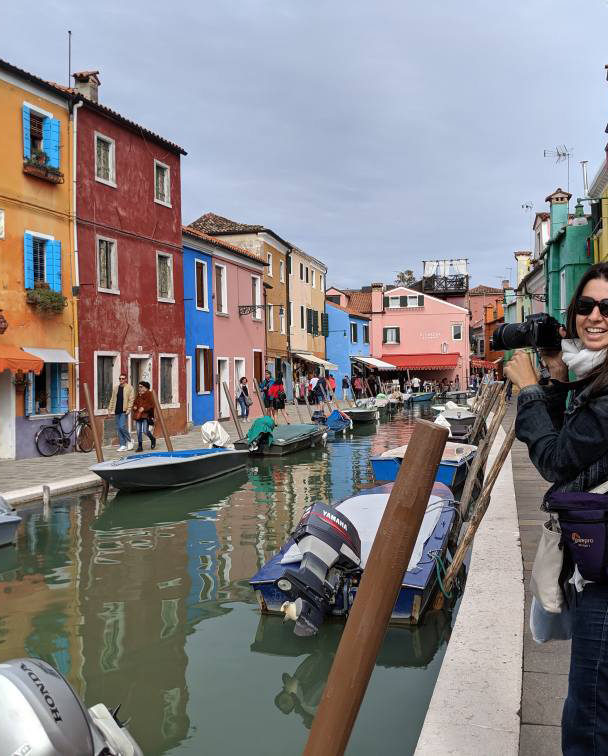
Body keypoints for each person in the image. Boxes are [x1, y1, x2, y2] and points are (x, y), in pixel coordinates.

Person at [504, 262, 608, 754]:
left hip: (606, 578)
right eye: (586, 306)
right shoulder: (594, 377)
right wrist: (558, 374)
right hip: (596, 564)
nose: (594, 316)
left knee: (588, 719)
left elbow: (556, 459)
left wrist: (528, 389)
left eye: (607, 307)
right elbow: (577, 440)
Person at [108, 372, 134, 451]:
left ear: (126, 379)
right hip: (117, 410)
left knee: (122, 426)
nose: (121, 380)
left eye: (123, 378)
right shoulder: (116, 388)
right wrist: (110, 409)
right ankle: (122, 444)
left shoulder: (130, 388)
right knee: (118, 428)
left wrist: (129, 409)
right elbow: (112, 399)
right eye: (120, 378)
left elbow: (131, 399)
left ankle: (129, 440)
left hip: (124, 410)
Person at [132, 381, 156, 452]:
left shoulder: (149, 394)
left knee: (145, 431)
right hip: (138, 415)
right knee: (138, 431)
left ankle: (152, 439)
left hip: (146, 415)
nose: (139, 388)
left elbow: (151, 405)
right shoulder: (138, 395)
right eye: (139, 387)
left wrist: (144, 408)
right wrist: (135, 407)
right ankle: (140, 446)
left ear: (145, 388)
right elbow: (135, 403)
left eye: (141, 387)